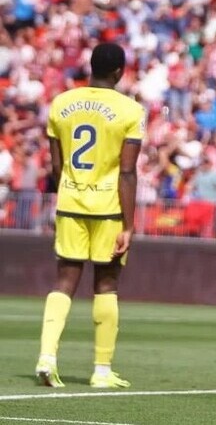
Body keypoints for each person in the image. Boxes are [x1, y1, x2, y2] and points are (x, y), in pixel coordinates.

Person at [36, 42, 145, 388]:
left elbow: (57, 165)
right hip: (108, 208)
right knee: (107, 284)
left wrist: (70, 190)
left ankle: (47, 357)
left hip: (70, 202)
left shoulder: (61, 103)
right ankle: (101, 370)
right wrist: (129, 224)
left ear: (91, 68)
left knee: (64, 281)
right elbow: (127, 172)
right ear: (119, 72)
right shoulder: (130, 110)